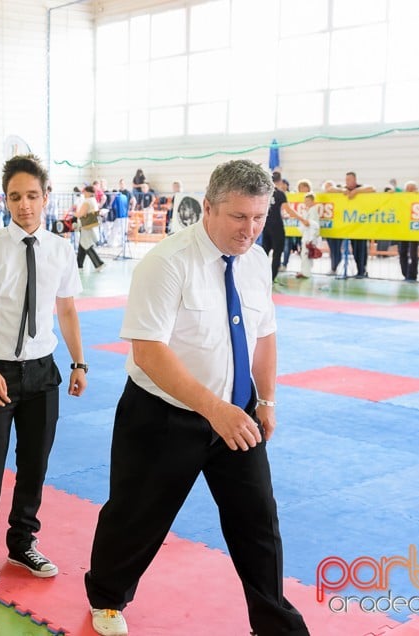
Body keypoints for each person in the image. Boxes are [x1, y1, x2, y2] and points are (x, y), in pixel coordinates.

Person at [84, 159, 308, 636]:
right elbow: (147, 351)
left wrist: (265, 400)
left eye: (258, 218)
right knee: (136, 516)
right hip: (163, 417)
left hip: (237, 415)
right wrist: (214, 410)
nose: (249, 230)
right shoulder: (167, 263)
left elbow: (264, 334)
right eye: (238, 217)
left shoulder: (257, 261)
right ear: (208, 208)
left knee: (258, 523)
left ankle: (276, 625)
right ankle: (107, 596)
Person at [0, 154, 88, 587]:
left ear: (46, 197)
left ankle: (22, 542)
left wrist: (78, 362)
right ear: (5, 200)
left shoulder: (59, 249)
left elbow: (67, 310)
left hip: (42, 372)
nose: (24, 205)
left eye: (32, 195)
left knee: (35, 465)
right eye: (15, 197)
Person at [326, 172, 375, 278]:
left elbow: (372, 188)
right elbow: (329, 189)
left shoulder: (361, 188)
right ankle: (334, 267)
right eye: (346, 180)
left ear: (355, 180)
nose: (347, 182)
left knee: (360, 249)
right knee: (335, 246)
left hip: (359, 224)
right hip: (343, 224)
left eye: (349, 179)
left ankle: (362, 271)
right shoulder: (343, 189)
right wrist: (342, 190)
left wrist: (356, 191)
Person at [263, 172, 296, 282]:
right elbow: (288, 210)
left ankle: (260, 276)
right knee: (277, 252)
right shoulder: (280, 194)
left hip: (265, 225)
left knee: (264, 252)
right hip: (276, 226)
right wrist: (302, 219)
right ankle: (271, 278)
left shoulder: (265, 193)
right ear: (280, 181)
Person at [75, 186, 106, 272]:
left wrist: (74, 214)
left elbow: (80, 214)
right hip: (90, 226)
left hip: (86, 226)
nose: (83, 194)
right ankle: (79, 265)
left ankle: (99, 263)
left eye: (84, 192)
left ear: (88, 192)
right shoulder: (94, 200)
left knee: (87, 245)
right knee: (83, 245)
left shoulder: (87, 202)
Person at [292, 192, 321, 279]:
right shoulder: (308, 210)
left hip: (310, 236)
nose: (306, 202)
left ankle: (306, 273)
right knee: (305, 254)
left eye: (308, 201)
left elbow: (310, 224)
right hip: (307, 235)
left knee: (306, 254)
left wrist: (300, 218)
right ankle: (304, 271)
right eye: (305, 201)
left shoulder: (313, 210)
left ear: (312, 201)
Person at [398, 181, 419, 282]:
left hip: (415, 230)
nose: (410, 190)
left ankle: (413, 274)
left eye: (412, 188)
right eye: (408, 188)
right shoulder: (400, 199)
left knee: (413, 253)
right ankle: (405, 273)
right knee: (402, 252)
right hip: (403, 229)